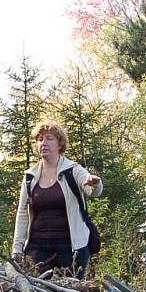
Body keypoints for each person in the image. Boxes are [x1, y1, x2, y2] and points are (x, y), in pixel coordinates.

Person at [11, 119, 103, 279]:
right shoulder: (29, 176)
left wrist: (94, 183)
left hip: (71, 248)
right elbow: (22, 214)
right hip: (37, 248)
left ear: (60, 144)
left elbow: (92, 190)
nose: (43, 143)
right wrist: (17, 248)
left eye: (49, 138)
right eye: (40, 140)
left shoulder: (73, 170)